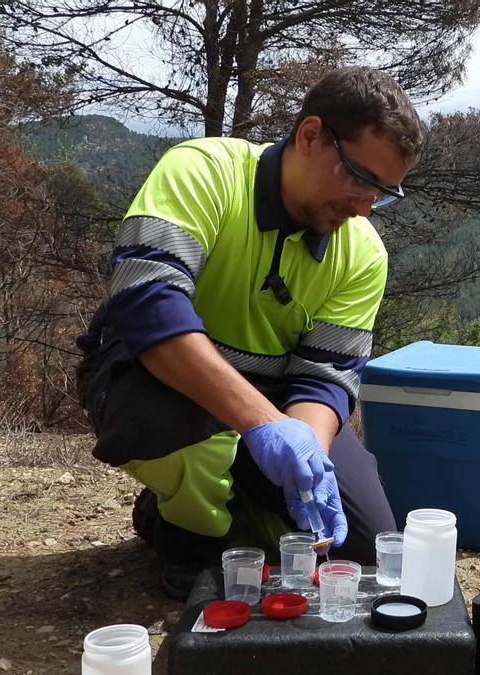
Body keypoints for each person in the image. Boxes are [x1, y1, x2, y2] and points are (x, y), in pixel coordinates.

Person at [75, 66, 425, 600]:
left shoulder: (362, 254)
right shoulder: (203, 172)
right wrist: (262, 422)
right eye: (358, 177)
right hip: (156, 377)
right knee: (174, 431)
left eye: (383, 192)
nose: (363, 207)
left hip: (273, 394)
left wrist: (306, 449)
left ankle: (229, 506)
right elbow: (147, 304)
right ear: (310, 135)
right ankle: (186, 531)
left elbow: (324, 376)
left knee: (361, 545)